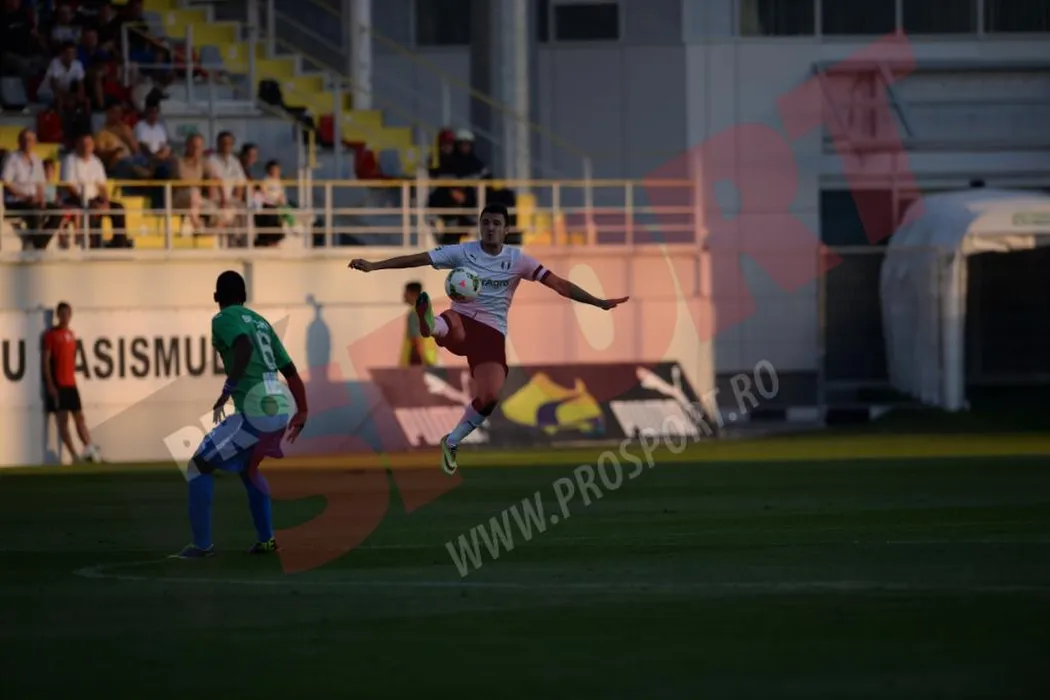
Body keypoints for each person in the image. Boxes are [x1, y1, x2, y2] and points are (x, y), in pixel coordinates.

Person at [349, 203, 629, 475]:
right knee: (455, 325)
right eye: (485, 223)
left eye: (496, 223)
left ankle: (452, 441)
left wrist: (597, 302)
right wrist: (374, 266)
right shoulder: (463, 252)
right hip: (461, 319)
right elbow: (418, 258)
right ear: (480, 227)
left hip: (492, 333)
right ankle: (431, 326)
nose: (490, 228)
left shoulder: (518, 260)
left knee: (490, 396)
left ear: (506, 230)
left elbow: (558, 285)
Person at [170, 270, 309, 559]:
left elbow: (243, 345)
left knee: (198, 466)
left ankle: (202, 546)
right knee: (249, 470)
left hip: (256, 411)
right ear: (244, 297)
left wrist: (228, 388)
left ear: (216, 297)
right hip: (280, 407)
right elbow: (290, 370)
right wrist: (303, 410)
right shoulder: (261, 321)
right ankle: (266, 540)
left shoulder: (223, 318)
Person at [42, 302, 103, 463]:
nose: (65, 317)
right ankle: (74, 455)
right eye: (62, 314)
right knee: (63, 421)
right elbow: (46, 361)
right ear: (58, 315)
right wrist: (50, 384)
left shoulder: (71, 334)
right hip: (59, 385)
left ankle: (90, 448)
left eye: (68, 314)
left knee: (80, 418)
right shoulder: (51, 335)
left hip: (71, 384)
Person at [399, 282, 438, 368]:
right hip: (429, 358)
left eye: (406, 292)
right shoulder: (426, 311)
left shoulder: (414, 313)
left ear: (413, 294)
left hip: (418, 360)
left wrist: (416, 360)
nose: (404, 296)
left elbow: (416, 339)